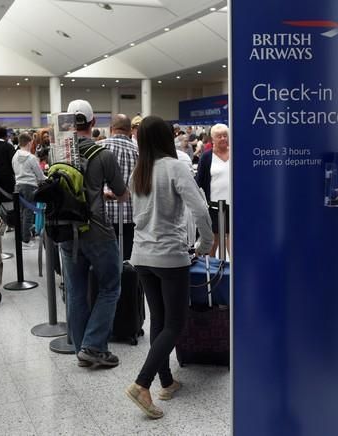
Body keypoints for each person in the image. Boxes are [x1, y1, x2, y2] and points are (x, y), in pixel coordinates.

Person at [125, 115, 213, 419]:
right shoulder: (175, 167)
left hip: (142, 256)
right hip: (170, 256)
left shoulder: (139, 170)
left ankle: (166, 382)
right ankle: (142, 383)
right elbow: (200, 208)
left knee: (159, 321)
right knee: (175, 323)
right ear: (167, 138)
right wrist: (205, 243)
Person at [60, 99, 128, 368]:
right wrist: (110, 195)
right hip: (97, 230)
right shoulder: (102, 155)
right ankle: (93, 346)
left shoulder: (58, 152)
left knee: (75, 290)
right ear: (92, 123)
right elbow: (122, 193)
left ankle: (81, 349)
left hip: (66, 230)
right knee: (111, 286)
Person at [98, 114, 139, 259]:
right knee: (127, 262)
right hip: (131, 217)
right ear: (130, 131)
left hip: (102, 216)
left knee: (105, 263)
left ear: (111, 129)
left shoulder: (98, 148)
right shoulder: (139, 152)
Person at [195, 123, 230, 257]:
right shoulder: (206, 157)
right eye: (219, 136)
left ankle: (233, 271)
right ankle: (211, 270)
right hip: (214, 206)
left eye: (225, 135)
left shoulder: (235, 153)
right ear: (212, 139)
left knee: (231, 238)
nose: (222, 138)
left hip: (234, 205)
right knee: (214, 239)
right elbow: (199, 181)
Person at [11, 132, 45, 248]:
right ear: (30, 143)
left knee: (21, 213)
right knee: (28, 213)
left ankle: (21, 237)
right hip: (30, 186)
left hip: (18, 186)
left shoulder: (15, 156)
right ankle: (26, 240)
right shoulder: (31, 158)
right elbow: (40, 176)